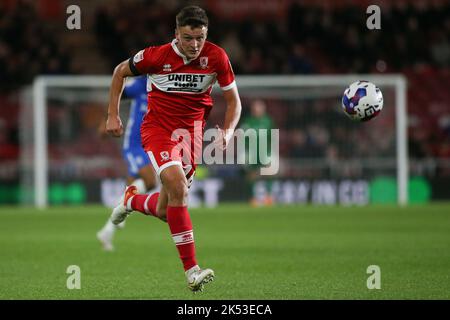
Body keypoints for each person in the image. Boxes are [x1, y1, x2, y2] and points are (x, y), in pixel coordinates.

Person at [105, 6, 242, 292]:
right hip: (158, 131)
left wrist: (228, 131)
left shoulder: (217, 57)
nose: (194, 45)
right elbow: (120, 72)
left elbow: (234, 101)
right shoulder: (155, 56)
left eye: (200, 38)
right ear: (176, 34)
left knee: (167, 210)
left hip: (190, 137)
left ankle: (130, 201)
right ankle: (192, 271)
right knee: (178, 187)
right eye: (188, 38)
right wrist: (112, 115)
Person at [97, 75, 157, 251]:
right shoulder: (140, 84)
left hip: (150, 144)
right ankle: (122, 207)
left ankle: (106, 231)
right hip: (134, 145)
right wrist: (106, 119)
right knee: (150, 181)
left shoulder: (166, 85)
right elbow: (116, 93)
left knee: (130, 190)